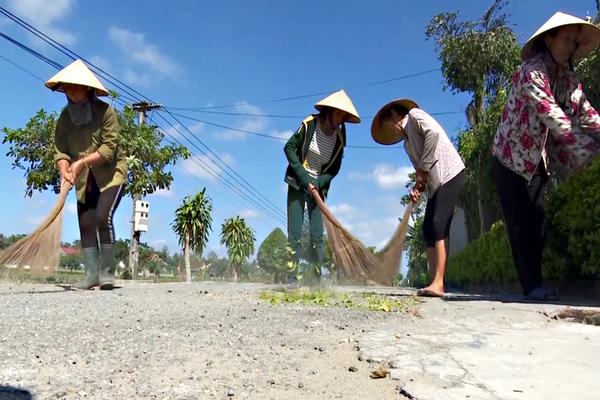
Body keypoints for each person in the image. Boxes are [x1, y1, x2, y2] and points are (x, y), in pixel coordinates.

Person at [492, 12, 600, 300]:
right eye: (566, 39)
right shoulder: (531, 71)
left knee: (538, 221)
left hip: (535, 158)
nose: (571, 47)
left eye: (575, 42)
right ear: (548, 39)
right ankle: (532, 286)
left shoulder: (567, 79)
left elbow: (585, 113)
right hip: (509, 157)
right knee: (520, 223)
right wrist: (583, 148)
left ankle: (535, 283)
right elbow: (550, 112)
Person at [46, 59, 128, 290]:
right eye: (67, 86)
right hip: (83, 181)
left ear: (88, 89)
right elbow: (60, 150)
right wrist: (65, 171)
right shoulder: (64, 118)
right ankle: (91, 275)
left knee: (102, 217)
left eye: (75, 85)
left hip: (111, 175)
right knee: (85, 223)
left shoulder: (105, 112)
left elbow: (109, 148)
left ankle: (107, 274)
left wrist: (81, 162)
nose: (70, 90)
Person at [371, 99, 465, 297]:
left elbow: (434, 134)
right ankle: (433, 281)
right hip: (435, 185)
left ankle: (439, 282)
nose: (389, 129)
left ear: (394, 117)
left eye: (387, 125)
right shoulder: (407, 145)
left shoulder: (414, 116)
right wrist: (417, 188)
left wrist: (422, 170)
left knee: (439, 224)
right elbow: (421, 173)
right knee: (427, 229)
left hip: (450, 174)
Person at [284, 89, 360, 285]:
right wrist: (303, 177)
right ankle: (292, 280)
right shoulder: (310, 124)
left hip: (318, 189)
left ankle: (315, 283)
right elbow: (289, 148)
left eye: (345, 116)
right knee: (295, 234)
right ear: (330, 110)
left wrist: (318, 183)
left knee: (317, 236)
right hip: (297, 183)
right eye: (339, 113)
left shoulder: (340, 138)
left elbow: (334, 169)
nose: (341, 118)